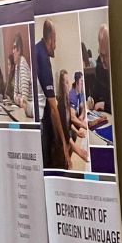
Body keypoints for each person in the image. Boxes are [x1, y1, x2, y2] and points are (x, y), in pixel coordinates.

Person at [35, 21, 70, 169]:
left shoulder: (37, 49)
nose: (55, 46)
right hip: (40, 122)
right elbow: (54, 110)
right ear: (50, 39)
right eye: (55, 41)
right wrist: (64, 146)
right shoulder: (43, 57)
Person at [56, 69, 88, 163]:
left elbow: (69, 123)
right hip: (63, 141)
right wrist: (78, 150)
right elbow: (64, 131)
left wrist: (77, 132)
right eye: (66, 83)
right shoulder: (62, 104)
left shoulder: (67, 100)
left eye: (68, 82)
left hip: (69, 138)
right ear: (61, 86)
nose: (68, 85)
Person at [89, 24, 112, 113]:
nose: (101, 60)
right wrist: (92, 100)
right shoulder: (99, 64)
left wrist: (105, 105)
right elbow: (96, 91)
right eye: (100, 54)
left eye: (104, 55)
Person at [12, 32, 33, 116]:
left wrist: (19, 98)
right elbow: (14, 95)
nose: (12, 51)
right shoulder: (17, 66)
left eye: (14, 48)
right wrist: (17, 98)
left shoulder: (23, 63)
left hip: (30, 111)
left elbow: (24, 101)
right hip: (24, 110)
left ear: (19, 49)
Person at [67, 72, 87, 138]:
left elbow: (83, 107)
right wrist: (84, 125)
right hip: (71, 129)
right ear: (77, 83)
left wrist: (81, 115)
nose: (83, 84)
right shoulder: (72, 95)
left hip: (78, 124)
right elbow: (72, 117)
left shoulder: (80, 93)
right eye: (81, 81)